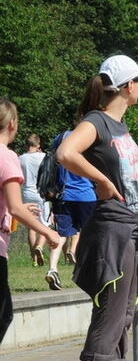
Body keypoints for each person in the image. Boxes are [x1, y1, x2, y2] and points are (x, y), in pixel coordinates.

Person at [56, 54, 138, 361]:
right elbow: (66, 152)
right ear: (129, 85)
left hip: (130, 225)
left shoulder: (119, 126)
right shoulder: (96, 121)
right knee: (109, 312)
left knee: (123, 314)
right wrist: (100, 179)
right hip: (112, 226)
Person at [0, 100, 60, 345]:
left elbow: (12, 206)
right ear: (12, 124)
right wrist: (49, 233)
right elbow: (15, 206)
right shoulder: (7, 157)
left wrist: (16, 208)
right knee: (3, 315)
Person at [44, 125, 98, 290]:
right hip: (85, 195)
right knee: (92, 234)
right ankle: (93, 271)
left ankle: (53, 268)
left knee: (61, 234)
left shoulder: (60, 137)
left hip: (63, 194)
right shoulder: (89, 138)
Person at [18, 133, 50, 266]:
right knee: (44, 224)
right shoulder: (43, 156)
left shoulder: (21, 158)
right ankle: (40, 247)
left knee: (31, 226)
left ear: (27, 144)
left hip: (27, 193)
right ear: (38, 145)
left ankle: (34, 260)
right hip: (41, 193)